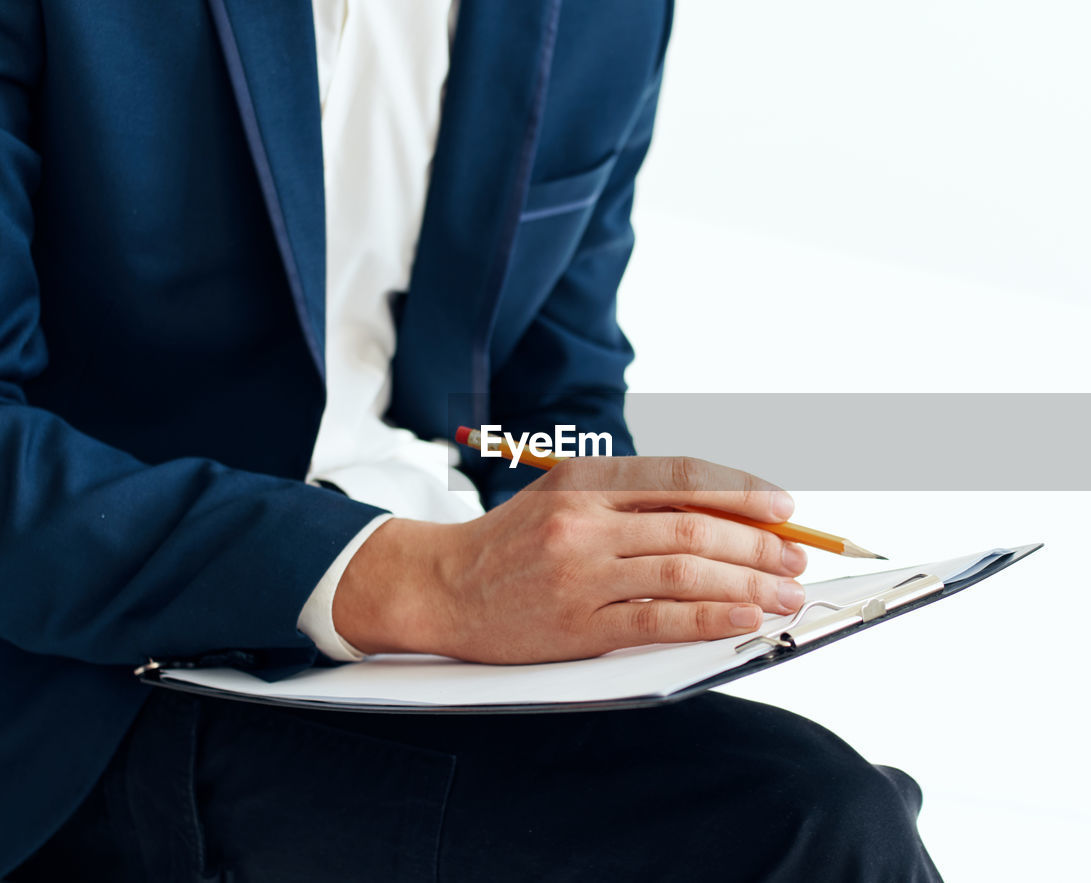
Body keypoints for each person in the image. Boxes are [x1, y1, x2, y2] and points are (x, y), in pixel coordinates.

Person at [0, 1, 942, 879]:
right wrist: (427, 579)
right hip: (91, 678)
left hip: (434, 662)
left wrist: (608, 525)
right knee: (811, 823)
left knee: (836, 808)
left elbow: (533, 394)